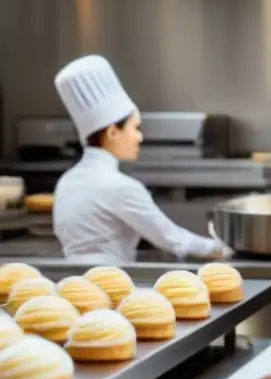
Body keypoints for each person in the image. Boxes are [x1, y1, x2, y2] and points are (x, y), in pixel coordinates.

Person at [53, 55, 224, 264]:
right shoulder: (121, 187)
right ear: (112, 132)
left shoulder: (66, 183)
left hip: (71, 286)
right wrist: (224, 250)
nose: (139, 137)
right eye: (135, 127)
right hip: (113, 286)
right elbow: (174, 240)